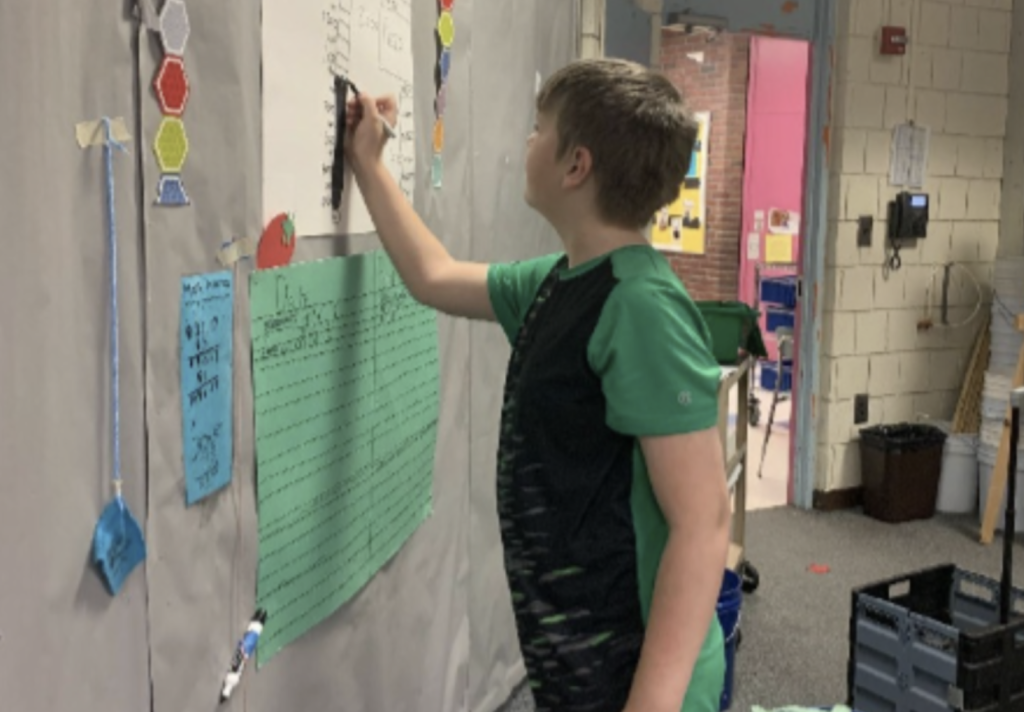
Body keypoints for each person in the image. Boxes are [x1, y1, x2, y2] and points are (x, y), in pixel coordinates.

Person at [345, 58, 730, 712]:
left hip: (640, 674)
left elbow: (705, 522)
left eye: (537, 129)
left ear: (574, 166)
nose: (525, 142)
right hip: (577, 657)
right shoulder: (560, 281)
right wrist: (368, 166)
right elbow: (433, 277)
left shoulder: (641, 307)